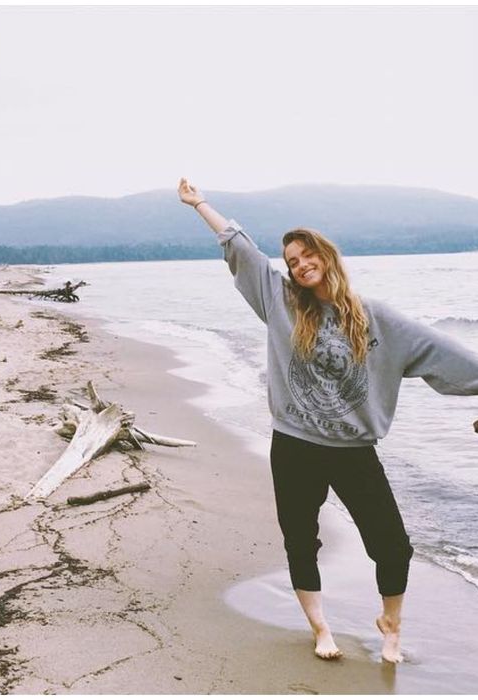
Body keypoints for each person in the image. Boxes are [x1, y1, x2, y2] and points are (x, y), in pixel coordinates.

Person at [178, 177, 478, 663]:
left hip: (353, 451)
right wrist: (201, 205)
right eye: (292, 261)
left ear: (327, 255)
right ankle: (321, 629)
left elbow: (443, 353)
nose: (299, 266)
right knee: (300, 539)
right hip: (294, 445)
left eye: (305, 255)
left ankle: (391, 625)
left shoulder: (375, 318)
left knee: (393, 547)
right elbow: (243, 253)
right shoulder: (282, 304)